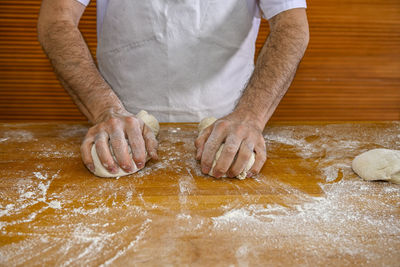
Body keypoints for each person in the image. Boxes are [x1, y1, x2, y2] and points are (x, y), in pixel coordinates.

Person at [37, 0, 309, 178]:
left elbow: (291, 25)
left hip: (230, 126)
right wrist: (103, 109)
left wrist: (251, 116)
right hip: (118, 124)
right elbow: (57, 21)